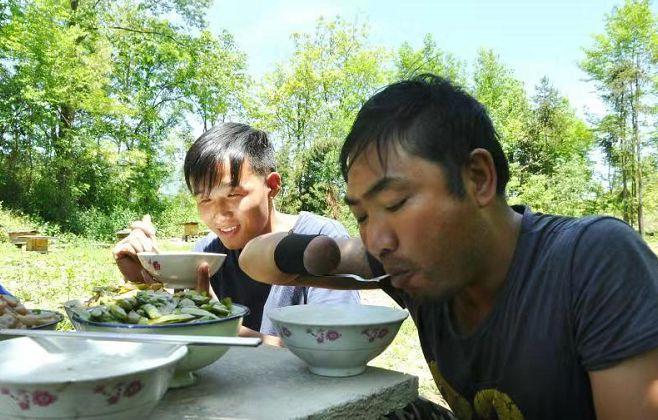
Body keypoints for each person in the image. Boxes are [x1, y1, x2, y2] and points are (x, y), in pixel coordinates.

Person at [239, 74, 658, 419]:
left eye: (396, 203)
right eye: (363, 216)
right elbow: (254, 259)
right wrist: (325, 253)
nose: (379, 240)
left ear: (478, 178)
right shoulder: (415, 268)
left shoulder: (592, 259)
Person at [113, 123, 359, 345]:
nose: (219, 215)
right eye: (205, 199)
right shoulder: (205, 255)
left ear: (272, 186)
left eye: (233, 195)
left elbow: (335, 346)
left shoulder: (318, 239)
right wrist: (148, 284)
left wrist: (217, 323)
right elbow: (182, 338)